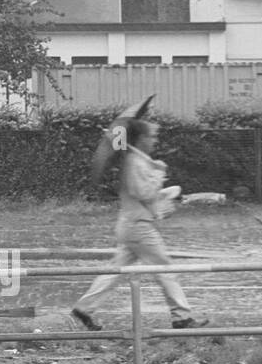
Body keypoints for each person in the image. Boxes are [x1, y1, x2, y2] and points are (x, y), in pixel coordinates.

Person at [72, 118, 209, 331]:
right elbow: (142, 192)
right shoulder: (134, 162)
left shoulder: (138, 160)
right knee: (166, 268)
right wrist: (159, 173)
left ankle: (84, 308)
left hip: (132, 224)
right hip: (138, 227)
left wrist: (162, 192)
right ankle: (182, 316)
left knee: (116, 271)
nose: (155, 140)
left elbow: (145, 195)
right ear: (142, 138)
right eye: (152, 136)